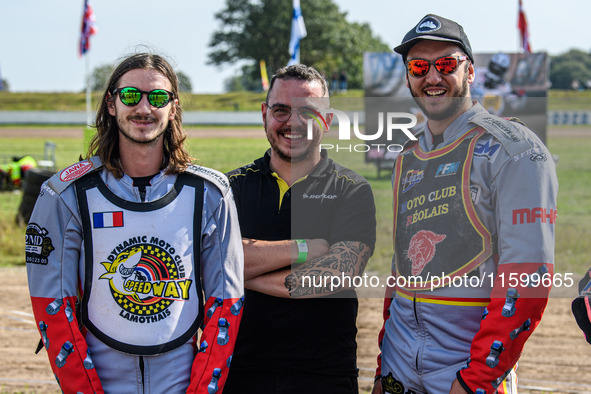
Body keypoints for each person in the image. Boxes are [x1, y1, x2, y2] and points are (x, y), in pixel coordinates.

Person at [25, 53, 244, 394]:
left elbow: (227, 304)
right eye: (130, 96)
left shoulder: (212, 194)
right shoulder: (64, 195)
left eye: (157, 97)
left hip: (180, 383)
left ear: (173, 108)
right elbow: (53, 309)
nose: (144, 108)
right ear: (111, 104)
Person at [373, 14, 558, 394]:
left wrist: (476, 380)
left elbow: (528, 279)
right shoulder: (407, 157)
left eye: (446, 64)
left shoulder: (516, 151)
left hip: (464, 370)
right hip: (399, 364)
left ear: (470, 71)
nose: (433, 77)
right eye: (419, 67)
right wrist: (383, 367)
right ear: (408, 76)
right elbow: (401, 267)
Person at [223, 64, 377, 394]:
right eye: (281, 110)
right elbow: (208, 265)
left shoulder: (351, 189)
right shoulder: (228, 188)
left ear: (328, 120)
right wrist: (306, 248)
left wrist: (238, 269)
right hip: (240, 372)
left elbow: (339, 273)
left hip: (324, 374)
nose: (293, 122)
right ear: (264, 114)